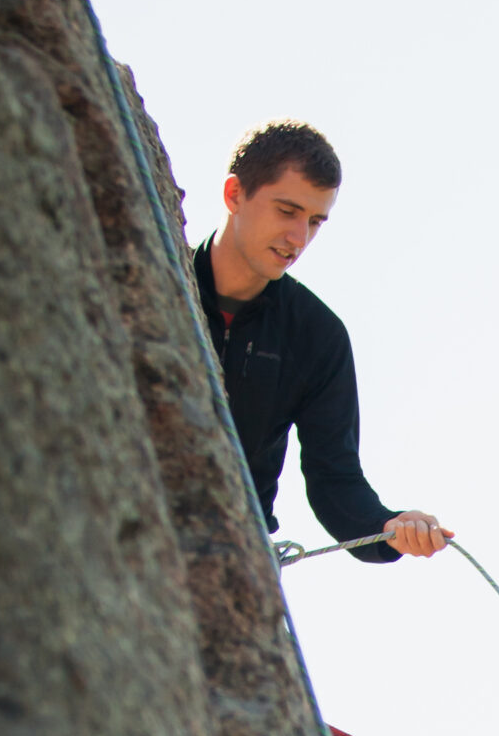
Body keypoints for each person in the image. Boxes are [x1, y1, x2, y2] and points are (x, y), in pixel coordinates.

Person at [192, 120, 450, 564]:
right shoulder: (154, 276)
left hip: (230, 564)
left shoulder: (318, 336)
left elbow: (335, 479)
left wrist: (388, 526)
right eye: (287, 211)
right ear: (234, 195)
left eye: (315, 221)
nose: (299, 239)